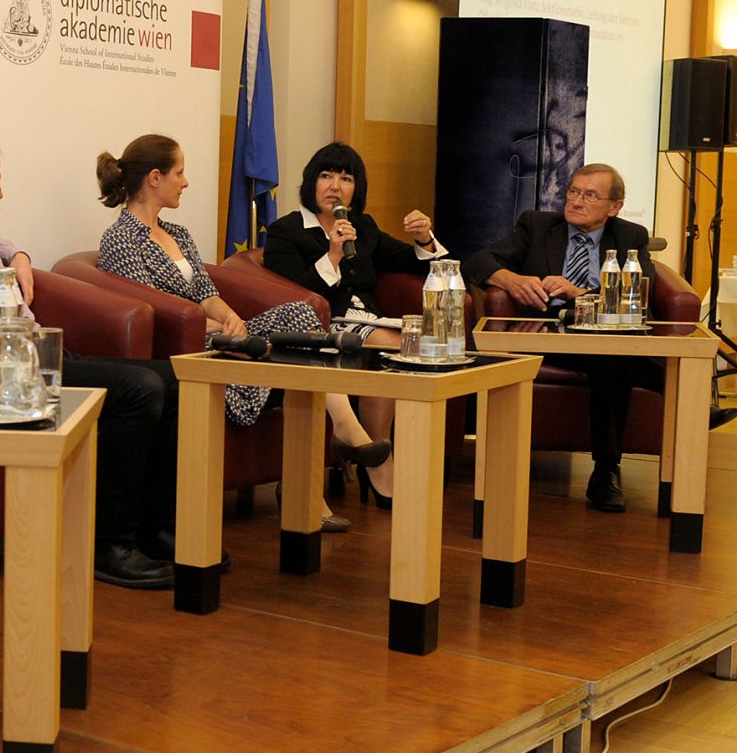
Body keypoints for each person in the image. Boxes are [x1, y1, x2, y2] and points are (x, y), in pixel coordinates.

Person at [0, 128, 178, 587]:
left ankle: (155, 527)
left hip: (39, 347)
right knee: (140, 390)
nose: (0, 193)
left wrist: (16, 252)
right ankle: (109, 545)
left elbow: (3, 249)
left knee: (175, 378)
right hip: (5, 368)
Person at [95, 133, 388, 525]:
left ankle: (340, 438)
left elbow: (205, 290)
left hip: (216, 330)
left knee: (300, 315)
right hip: (185, 342)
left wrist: (230, 316)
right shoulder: (121, 239)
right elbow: (158, 307)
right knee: (297, 363)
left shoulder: (178, 234)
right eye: (179, 173)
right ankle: (341, 446)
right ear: (154, 178)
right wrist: (216, 325)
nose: (185, 182)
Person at [462, 163, 661, 512]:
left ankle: (604, 471)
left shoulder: (630, 236)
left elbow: (639, 297)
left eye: (589, 195)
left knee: (612, 357)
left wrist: (580, 292)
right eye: (573, 192)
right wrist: (511, 280)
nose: (576, 201)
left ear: (614, 207)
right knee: (622, 360)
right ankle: (671, 387)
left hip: (601, 339)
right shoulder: (538, 227)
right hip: (545, 338)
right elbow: (478, 261)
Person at [263, 141, 446, 501]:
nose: (334, 186)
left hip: (371, 320)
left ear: (355, 190)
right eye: (326, 176)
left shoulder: (363, 225)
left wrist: (424, 237)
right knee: (390, 344)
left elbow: (412, 261)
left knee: (413, 341)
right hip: (322, 324)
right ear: (311, 183)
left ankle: (376, 452)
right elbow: (293, 293)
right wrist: (332, 253)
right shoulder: (286, 231)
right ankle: (378, 459)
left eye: (345, 179)